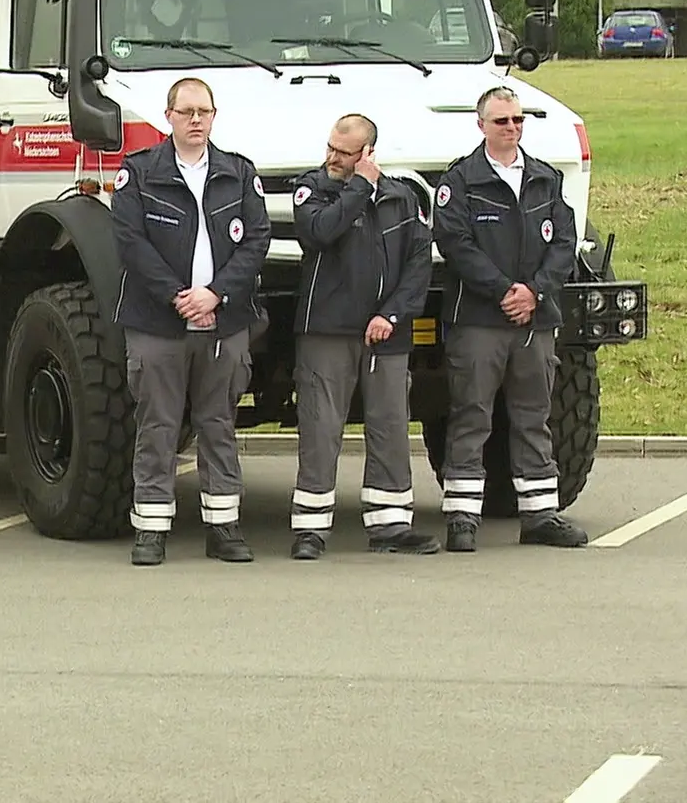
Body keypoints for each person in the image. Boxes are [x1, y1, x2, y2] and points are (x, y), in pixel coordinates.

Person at [110, 77, 271, 566]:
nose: (196, 120)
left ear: (214, 116)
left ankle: (223, 528)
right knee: (157, 425)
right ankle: (151, 529)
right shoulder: (139, 172)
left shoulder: (238, 173)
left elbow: (257, 239)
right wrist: (178, 296)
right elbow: (130, 241)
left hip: (224, 321)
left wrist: (216, 294)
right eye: (187, 112)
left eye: (204, 111)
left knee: (218, 424)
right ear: (169, 117)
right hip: (158, 322)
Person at [431, 86, 589, 551]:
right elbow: (455, 244)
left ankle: (540, 515)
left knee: (533, 417)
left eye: (518, 120)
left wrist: (535, 292)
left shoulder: (544, 179)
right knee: (471, 416)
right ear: (481, 125)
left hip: (533, 321)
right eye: (502, 121)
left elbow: (564, 243)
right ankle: (463, 517)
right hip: (478, 320)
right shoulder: (460, 181)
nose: (512, 128)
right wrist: (503, 291)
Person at [287, 114, 440, 560]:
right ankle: (311, 528)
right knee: (321, 427)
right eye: (331, 147)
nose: (332, 157)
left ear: (369, 153)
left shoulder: (401, 200)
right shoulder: (312, 189)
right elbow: (319, 232)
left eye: (344, 152)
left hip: (386, 334)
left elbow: (418, 264)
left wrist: (391, 314)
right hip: (326, 330)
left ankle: (390, 524)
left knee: (390, 425)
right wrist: (359, 187)